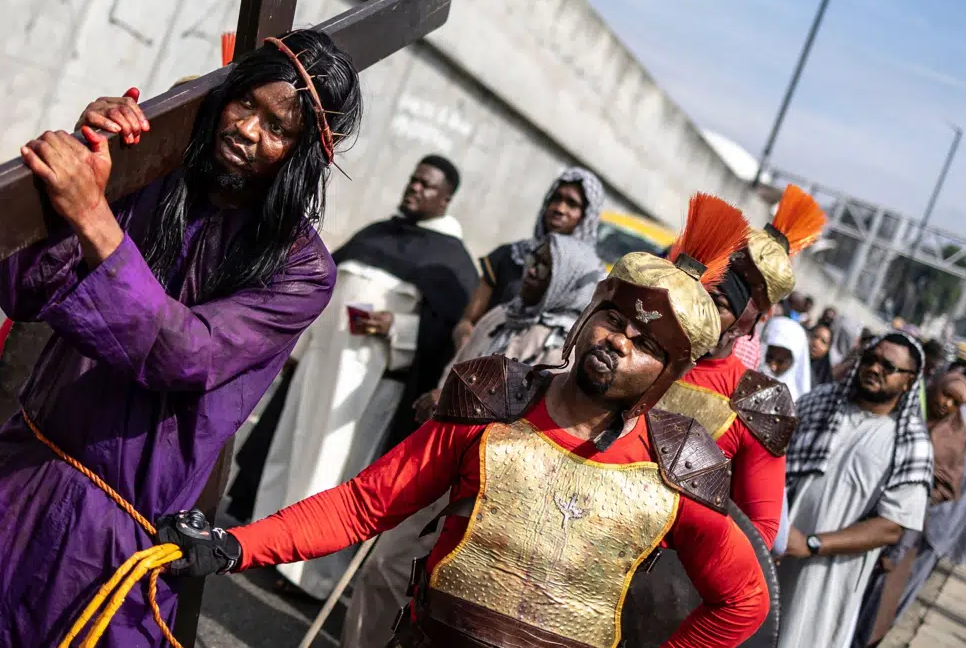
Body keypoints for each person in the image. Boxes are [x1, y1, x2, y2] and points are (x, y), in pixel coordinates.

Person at [0, 30, 363, 646]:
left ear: (302, 156)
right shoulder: (154, 174)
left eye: (278, 128)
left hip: (114, 540)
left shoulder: (301, 270)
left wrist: (93, 214)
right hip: (20, 479)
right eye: (245, 103)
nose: (249, 130)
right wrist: (93, 170)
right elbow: (25, 291)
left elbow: (182, 352)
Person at [156, 203, 770, 648]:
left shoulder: (675, 469)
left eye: (646, 343)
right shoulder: (496, 401)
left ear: (668, 373)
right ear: (590, 315)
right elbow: (362, 505)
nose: (620, 341)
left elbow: (744, 600)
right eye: (615, 319)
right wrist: (236, 545)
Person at [340, 230, 604, 648]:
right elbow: (459, 370)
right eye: (533, 261)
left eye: (545, 267)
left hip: (485, 486)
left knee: (437, 596)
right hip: (439, 457)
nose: (531, 271)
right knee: (384, 566)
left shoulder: (562, 349)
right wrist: (439, 396)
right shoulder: (500, 316)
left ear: (566, 280)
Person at [237, 155, 476, 598]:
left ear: (446, 198)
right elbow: (321, 286)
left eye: (426, 185)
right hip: (321, 365)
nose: (414, 189)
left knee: (333, 473)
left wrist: (397, 328)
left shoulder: (452, 262)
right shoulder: (377, 233)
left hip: (366, 383)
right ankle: (262, 543)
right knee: (292, 451)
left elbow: (443, 336)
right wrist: (298, 346)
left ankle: (311, 576)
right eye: (413, 179)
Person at [656, 184, 824, 548]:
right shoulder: (643, 352)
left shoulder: (757, 399)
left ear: (759, 316)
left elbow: (759, 535)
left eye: (746, 290)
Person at [776, 333, 933, 648]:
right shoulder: (818, 403)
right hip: (770, 552)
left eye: (887, 366)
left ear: (908, 381)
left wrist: (811, 544)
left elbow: (892, 527)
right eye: (870, 359)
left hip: (828, 576)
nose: (874, 368)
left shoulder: (911, 443)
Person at [854, 371, 966, 646]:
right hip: (873, 513)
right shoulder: (908, 410)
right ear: (932, 386)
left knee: (885, 598)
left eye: (955, 402)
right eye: (945, 395)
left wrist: (912, 499)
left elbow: (949, 486)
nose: (946, 405)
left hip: (920, 528)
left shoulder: (958, 431)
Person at [451, 167, 605, 347]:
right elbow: (467, 322)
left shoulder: (591, 283)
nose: (560, 209)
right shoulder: (510, 256)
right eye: (556, 199)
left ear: (587, 217)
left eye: (572, 204)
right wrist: (469, 346)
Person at [763, 315, 812, 402]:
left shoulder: (796, 401)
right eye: (769, 357)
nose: (773, 366)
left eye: (780, 362)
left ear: (794, 363)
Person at [809, 321, 834, 387]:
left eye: (823, 341)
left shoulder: (825, 380)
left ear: (828, 348)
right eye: (815, 336)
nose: (816, 343)